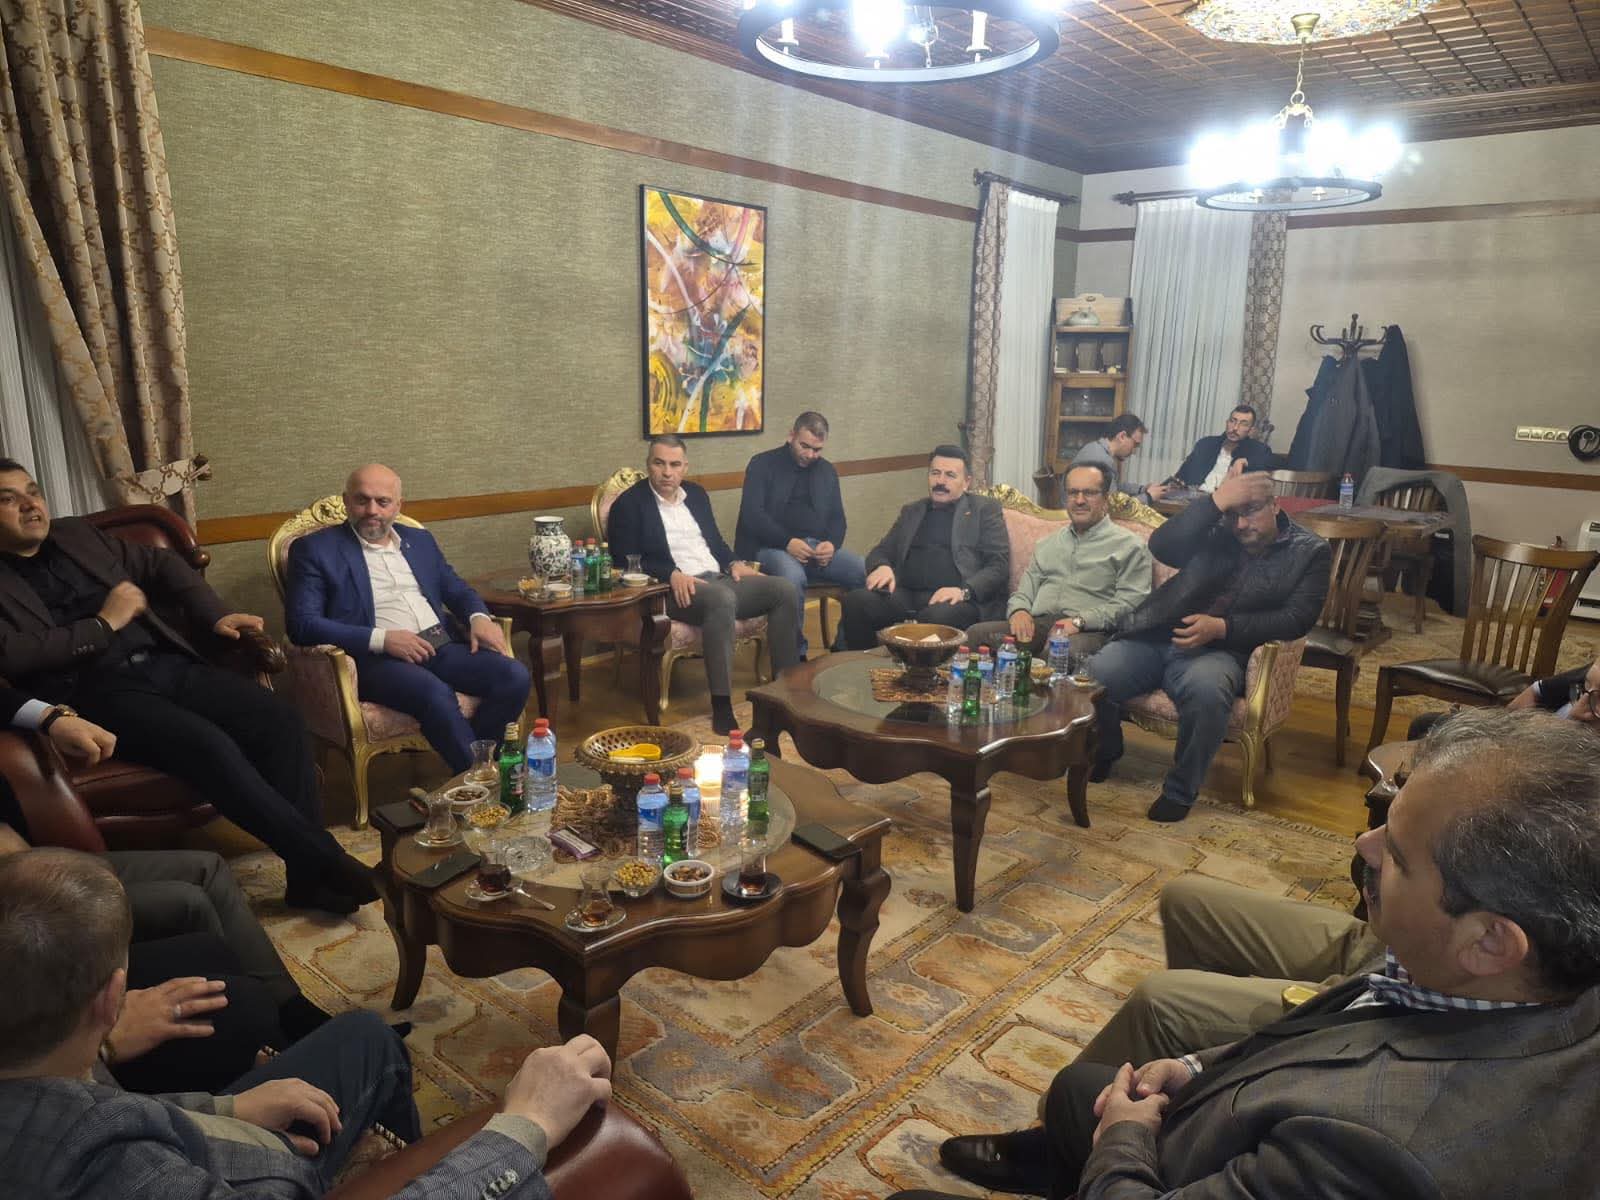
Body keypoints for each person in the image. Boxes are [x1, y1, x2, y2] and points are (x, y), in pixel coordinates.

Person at [914, 709, 1600, 1200]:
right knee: (1077, 1090)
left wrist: (1122, 1143)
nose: (1361, 847)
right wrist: (1196, 1066)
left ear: (1489, 941)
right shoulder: (1500, 980)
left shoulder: (1378, 1152)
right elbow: (1347, 1019)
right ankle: (1062, 1162)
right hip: (1212, 1124)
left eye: (1395, 854)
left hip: (1177, 1166)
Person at [0, 848, 613, 1199]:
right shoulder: (114, 1172)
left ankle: (400, 1150)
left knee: (365, 1035)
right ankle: (403, 1167)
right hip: (257, 1179)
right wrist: (524, 1127)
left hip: (209, 1135)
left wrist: (225, 1110)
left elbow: (93, 1105)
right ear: (113, 1000)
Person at [0, 459, 373, 915]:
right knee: (208, 746)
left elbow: (162, 564)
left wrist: (214, 614)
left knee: (280, 719)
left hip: (167, 663)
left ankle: (308, 880)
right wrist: (103, 624)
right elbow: (14, 654)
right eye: (9, 499)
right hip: (96, 693)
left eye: (33, 491)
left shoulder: (77, 534)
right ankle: (327, 860)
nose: (30, 505)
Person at [0, 684, 333, 1092]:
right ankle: (261, 1054)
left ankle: (293, 1010)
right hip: (20, 901)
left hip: (30, 859)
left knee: (208, 869)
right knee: (190, 905)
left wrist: (51, 718)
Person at [1087, 471, 1330, 822]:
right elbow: (1163, 546)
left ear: (1275, 505)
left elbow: (1296, 619)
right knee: (1097, 673)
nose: (1241, 524)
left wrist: (1222, 628)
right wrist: (1215, 503)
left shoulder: (1311, 551)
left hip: (1222, 650)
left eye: (1251, 511)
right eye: (1233, 514)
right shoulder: (1217, 529)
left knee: (1207, 694)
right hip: (1161, 634)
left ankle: (1180, 790)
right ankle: (1107, 749)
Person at [285, 464, 531, 774]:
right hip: (375, 659)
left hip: (438, 641)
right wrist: (383, 639)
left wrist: (478, 617)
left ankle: (476, 769)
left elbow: (455, 588)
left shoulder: (420, 540)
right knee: (434, 694)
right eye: (362, 500)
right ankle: (483, 781)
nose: (372, 510)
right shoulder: (315, 549)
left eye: (383, 501)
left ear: (398, 505)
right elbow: (302, 624)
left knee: (514, 676)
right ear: (347, 501)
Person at [608, 434, 799, 734]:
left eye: (674, 465)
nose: (667, 472)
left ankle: (785, 690)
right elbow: (624, 559)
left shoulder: (696, 495)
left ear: (685, 467)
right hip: (672, 590)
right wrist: (671, 573)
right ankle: (722, 705)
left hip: (718, 579)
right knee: (722, 599)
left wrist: (734, 563)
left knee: (783, 590)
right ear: (648, 465)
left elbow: (716, 543)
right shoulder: (629, 504)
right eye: (659, 463)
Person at [965, 463, 1151, 661]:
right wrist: (1019, 611)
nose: (1079, 500)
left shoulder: (1129, 546)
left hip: (1091, 630)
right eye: (1073, 493)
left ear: (1105, 498)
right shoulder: (1048, 543)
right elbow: (1024, 590)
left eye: (1089, 493)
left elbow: (1130, 602)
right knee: (977, 635)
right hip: (1039, 625)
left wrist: (1080, 621)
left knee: (1061, 650)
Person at [839, 445, 1009, 651]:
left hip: (957, 599)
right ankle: (861, 664)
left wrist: (964, 591)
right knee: (857, 602)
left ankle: (923, 671)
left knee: (935, 618)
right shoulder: (913, 511)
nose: (940, 481)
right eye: (935, 473)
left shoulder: (984, 510)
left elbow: (999, 566)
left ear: (966, 482)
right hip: (906, 594)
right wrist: (881, 566)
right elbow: (881, 551)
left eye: (950, 475)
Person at [733, 412, 866, 659]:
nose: (810, 455)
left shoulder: (826, 471)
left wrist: (832, 544)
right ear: (791, 436)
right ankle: (795, 656)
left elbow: (838, 519)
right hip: (770, 547)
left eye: (817, 449)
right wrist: (787, 542)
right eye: (805, 446)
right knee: (792, 578)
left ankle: (845, 647)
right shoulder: (762, 464)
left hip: (816, 549)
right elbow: (753, 516)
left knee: (863, 570)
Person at [1068, 414, 1169, 506]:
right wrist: (1149, 497)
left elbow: (1114, 487)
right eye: (1135, 444)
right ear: (1122, 436)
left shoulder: (1095, 448)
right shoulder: (1102, 460)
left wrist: (1142, 489)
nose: (1134, 451)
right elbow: (1115, 508)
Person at [1171, 403, 1272, 493]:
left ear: (1251, 430)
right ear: (1227, 423)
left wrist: (1244, 462)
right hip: (1194, 498)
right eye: (1233, 421)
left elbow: (1273, 463)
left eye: (1243, 424)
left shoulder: (1258, 450)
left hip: (1226, 503)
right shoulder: (1206, 444)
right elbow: (1181, 476)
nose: (1235, 428)